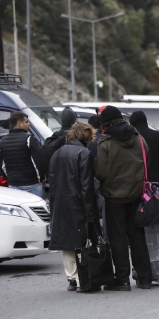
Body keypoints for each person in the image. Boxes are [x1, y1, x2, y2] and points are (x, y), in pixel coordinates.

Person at [95, 105, 152, 290]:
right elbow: (147, 162)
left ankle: (123, 280)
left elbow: (101, 172)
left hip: (114, 197)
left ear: (105, 123)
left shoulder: (105, 143)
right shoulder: (139, 138)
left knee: (118, 238)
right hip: (137, 194)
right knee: (137, 235)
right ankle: (144, 278)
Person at [48, 122, 98, 292]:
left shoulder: (57, 153)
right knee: (82, 241)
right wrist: (91, 212)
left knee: (67, 242)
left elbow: (52, 182)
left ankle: (72, 278)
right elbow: (86, 186)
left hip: (60, 202)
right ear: (86, 136)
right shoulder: (83, 153)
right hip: (78, 202)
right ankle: (84, 277)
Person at [0, 112, 44, 197]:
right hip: (31, 184)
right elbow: (38, 162)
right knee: (34, 209)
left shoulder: (1, 142)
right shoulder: (29, 139)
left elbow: (2, 166)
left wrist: (10, 179)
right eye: (26, 122)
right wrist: (41, 179)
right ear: (19, 124)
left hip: (13, 185)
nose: (29, 124)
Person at [129, 111, 159, 191]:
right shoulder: (158, 135)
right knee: (156, 202)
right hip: (157, 178)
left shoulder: (131, 137)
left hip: (137, 180)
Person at [42, 108, 77, 176]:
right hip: (68, 179)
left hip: (53, 179)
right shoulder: (72, 138)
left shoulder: (54, 137)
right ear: (73, 123)